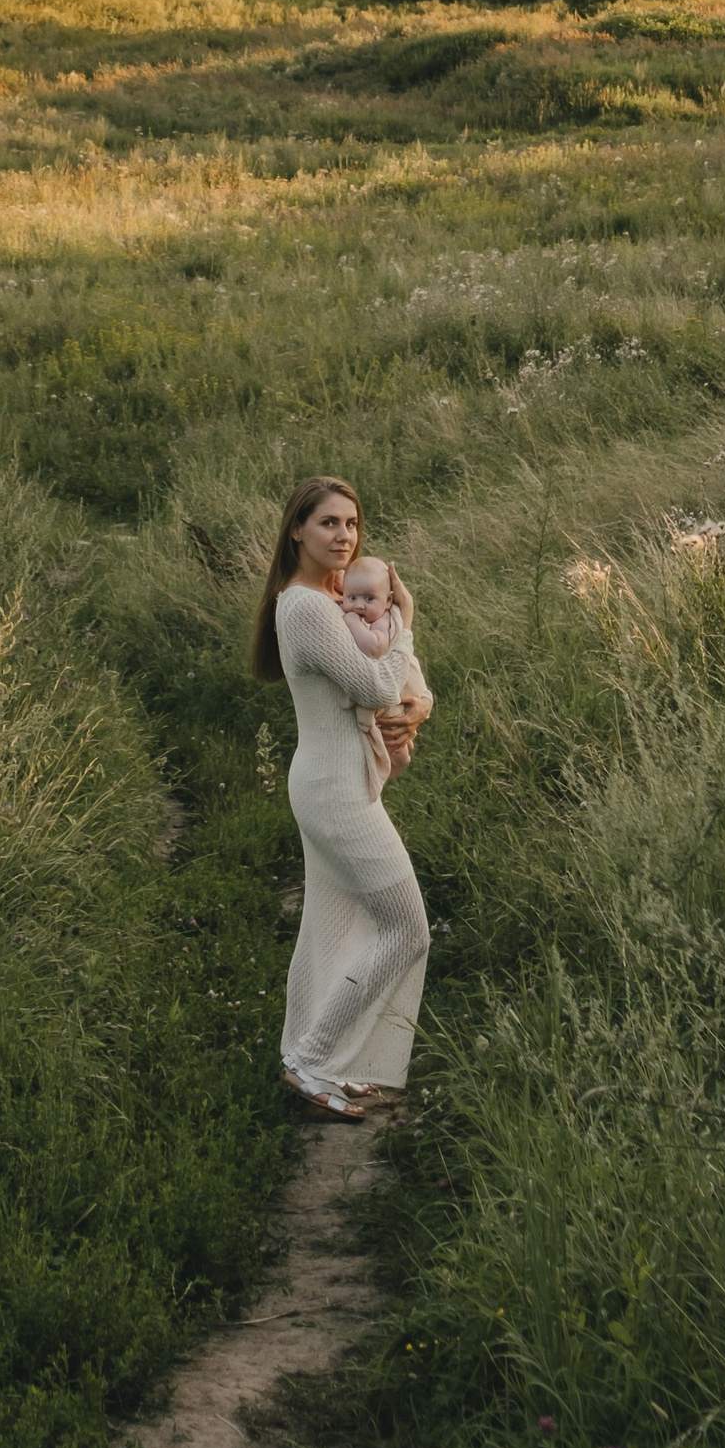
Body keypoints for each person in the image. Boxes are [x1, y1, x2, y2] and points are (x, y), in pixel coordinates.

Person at [255, 476, 431, 1120]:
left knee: (335, 927)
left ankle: (331, 1061)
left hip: (339, 786)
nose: (344, 536)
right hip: (335, 793)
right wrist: (407, 622)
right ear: (296, 529)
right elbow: (375, 683)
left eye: (352, 524)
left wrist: (417, 710)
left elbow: (406, 688)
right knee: (406, 927)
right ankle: (312, 1059)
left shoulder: (338, 598)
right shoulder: (304, 607)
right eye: (329, 523)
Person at [338, 554, 433, 789]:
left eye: (369, 599)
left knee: (396, 746)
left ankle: (396, 767)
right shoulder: (361, 609)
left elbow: (374, 647)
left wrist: (350, 621)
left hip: (400, 690)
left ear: (388, 601)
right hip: (389, 688)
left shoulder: (381, 621)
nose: (359, 605)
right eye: (352, 598)